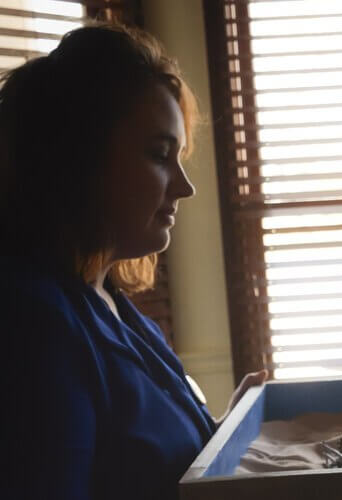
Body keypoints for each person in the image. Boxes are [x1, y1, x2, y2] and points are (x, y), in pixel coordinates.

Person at [0, 24, 267, 500]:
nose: (185, 187)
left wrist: (226, 430)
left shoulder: (116, 308)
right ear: (79, 159)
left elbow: (145, 464)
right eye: (159, 154)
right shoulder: (34, 322)